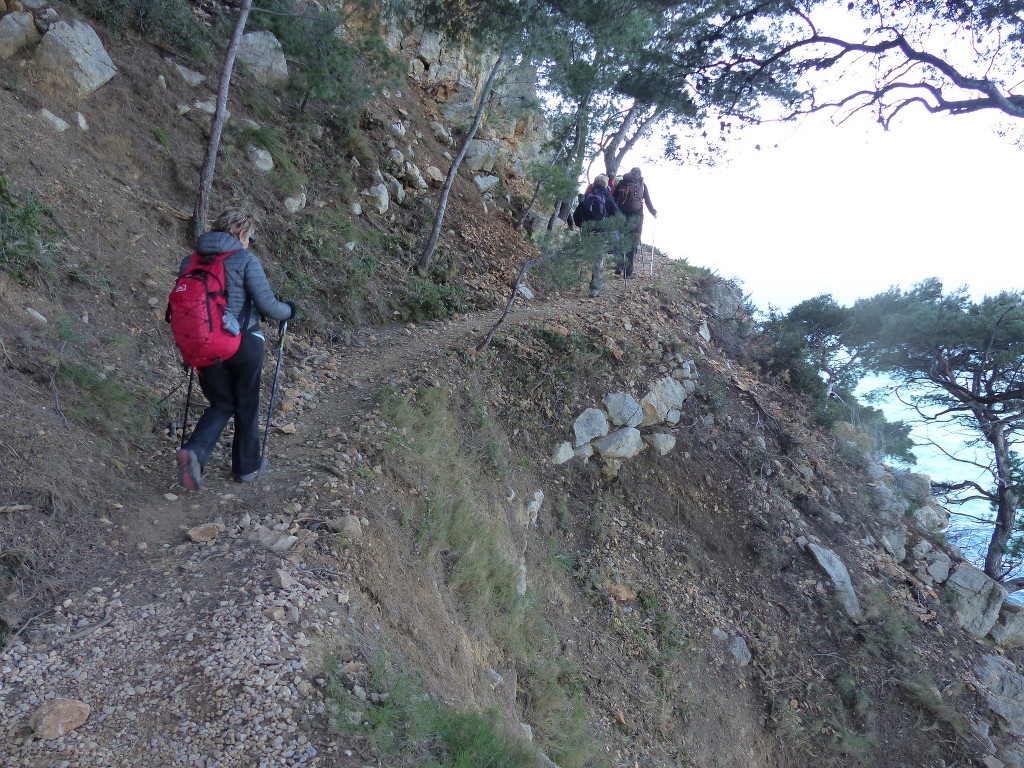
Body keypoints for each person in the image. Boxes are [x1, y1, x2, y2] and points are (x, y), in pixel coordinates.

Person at [176, 209, 295, 490]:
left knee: (221, 402)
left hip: (203, 345)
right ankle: (247, 467)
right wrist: (289, 310)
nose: (249, 242)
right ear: (242, 234)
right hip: (243, 343)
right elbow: (268, 306)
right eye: (250, 237)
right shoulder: (244, 259)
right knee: (246, 403)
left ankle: (194, 452)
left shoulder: (190, 261)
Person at [570, 174, 621, 297]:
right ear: (605, 184)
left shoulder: (588, 196)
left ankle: (580, 282)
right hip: (601, 231)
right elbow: (618, 214)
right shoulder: (607, 197)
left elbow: (577, 217)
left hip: (587, 232)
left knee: (589, 256)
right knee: (598, 258)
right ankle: (595, 288)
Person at [613, 167, 657, 278]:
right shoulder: (642, 184)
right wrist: (653, 212)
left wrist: (614, 213)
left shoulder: (622, 183)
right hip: (636, 216)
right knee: (633, 242)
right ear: (639, 174)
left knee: (621, 241)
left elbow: (613, 198)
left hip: (622, 215)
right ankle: (628, 272)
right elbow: (647, 200)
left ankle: (619, 265)